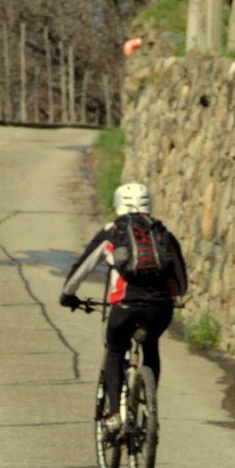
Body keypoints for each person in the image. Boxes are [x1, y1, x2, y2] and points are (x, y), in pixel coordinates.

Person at [59, 182, 187, 432]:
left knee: (116, 351)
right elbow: (181, 284)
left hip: (126, 305)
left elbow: (84, 267)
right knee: (151, 346)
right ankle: (149, 405)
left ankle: (115, 415)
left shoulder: (113, 232)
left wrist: (68, 295)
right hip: (160, 307)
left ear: (118, 204)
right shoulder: (163, 233)